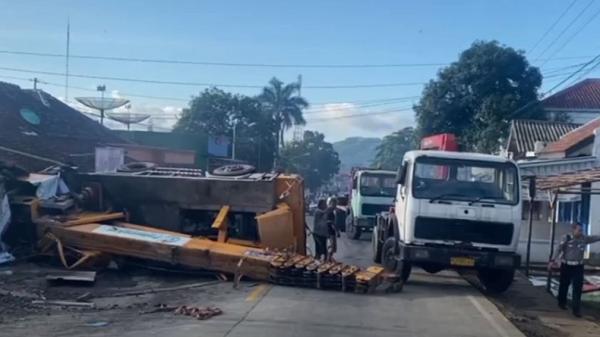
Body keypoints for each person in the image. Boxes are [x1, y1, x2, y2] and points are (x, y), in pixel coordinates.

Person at [550, 222, 600, 317]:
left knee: (577, 287)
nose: (581, 232)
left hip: (578, 267)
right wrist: (552, 260)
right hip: (566, 265)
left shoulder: (584, 238)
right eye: (579, 230)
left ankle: (576, 309)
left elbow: (596, 237)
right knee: (564, 285)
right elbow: (558, 249)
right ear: (573, 230)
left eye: (582, 230)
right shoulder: (566, 238)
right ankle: (562, 303)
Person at [325, 197, 340, 262]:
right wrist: (337, 231)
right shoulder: (329, 211)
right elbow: (331, 223)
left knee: (332, 246)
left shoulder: (330, 210)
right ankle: (328, 258)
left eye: (336, 204)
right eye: (334, 203)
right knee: (333, 247)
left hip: (329, 230)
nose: (335, 205)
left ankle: (329, 257)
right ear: (331, 203)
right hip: (330, 230)